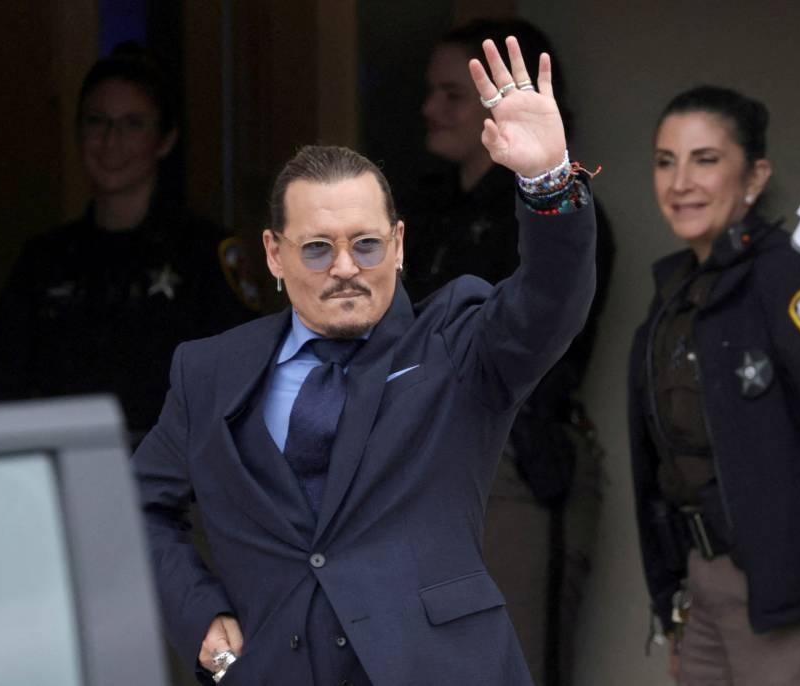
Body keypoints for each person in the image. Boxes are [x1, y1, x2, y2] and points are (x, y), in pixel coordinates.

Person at [132, 36, 596, 685]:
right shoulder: (210, 370)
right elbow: (139, 508)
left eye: (368, 245)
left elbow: (550, 303)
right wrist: (200, 617)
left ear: (400, 244)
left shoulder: (456, 342)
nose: (346, 268)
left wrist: (548, 182)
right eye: (317, 248)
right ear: (274, 254)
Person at [627, 85, 800, 685]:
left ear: (754, 176)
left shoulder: (786, 273)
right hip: (700, 580)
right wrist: (669, 595)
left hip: (788, 576)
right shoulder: (675, 294)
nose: (680, 182)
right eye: (665, 161)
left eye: (705, 159)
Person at [398, 18, 614, 686]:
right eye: (431, 92)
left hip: (511, 462)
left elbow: (547, 311)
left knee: (506, 662)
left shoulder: (563, 209)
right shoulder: (421, 207)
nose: (432, 109)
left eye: (452, 95)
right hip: (412, 462)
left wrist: (546, 180)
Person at [0, 44, 256, 441]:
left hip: (177, 487)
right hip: (68, 477)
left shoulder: (204, 254)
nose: (110, 140)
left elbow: (245, 393)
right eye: (96, 121)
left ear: (165, 138)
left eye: (133, 124)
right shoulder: (44, 260)